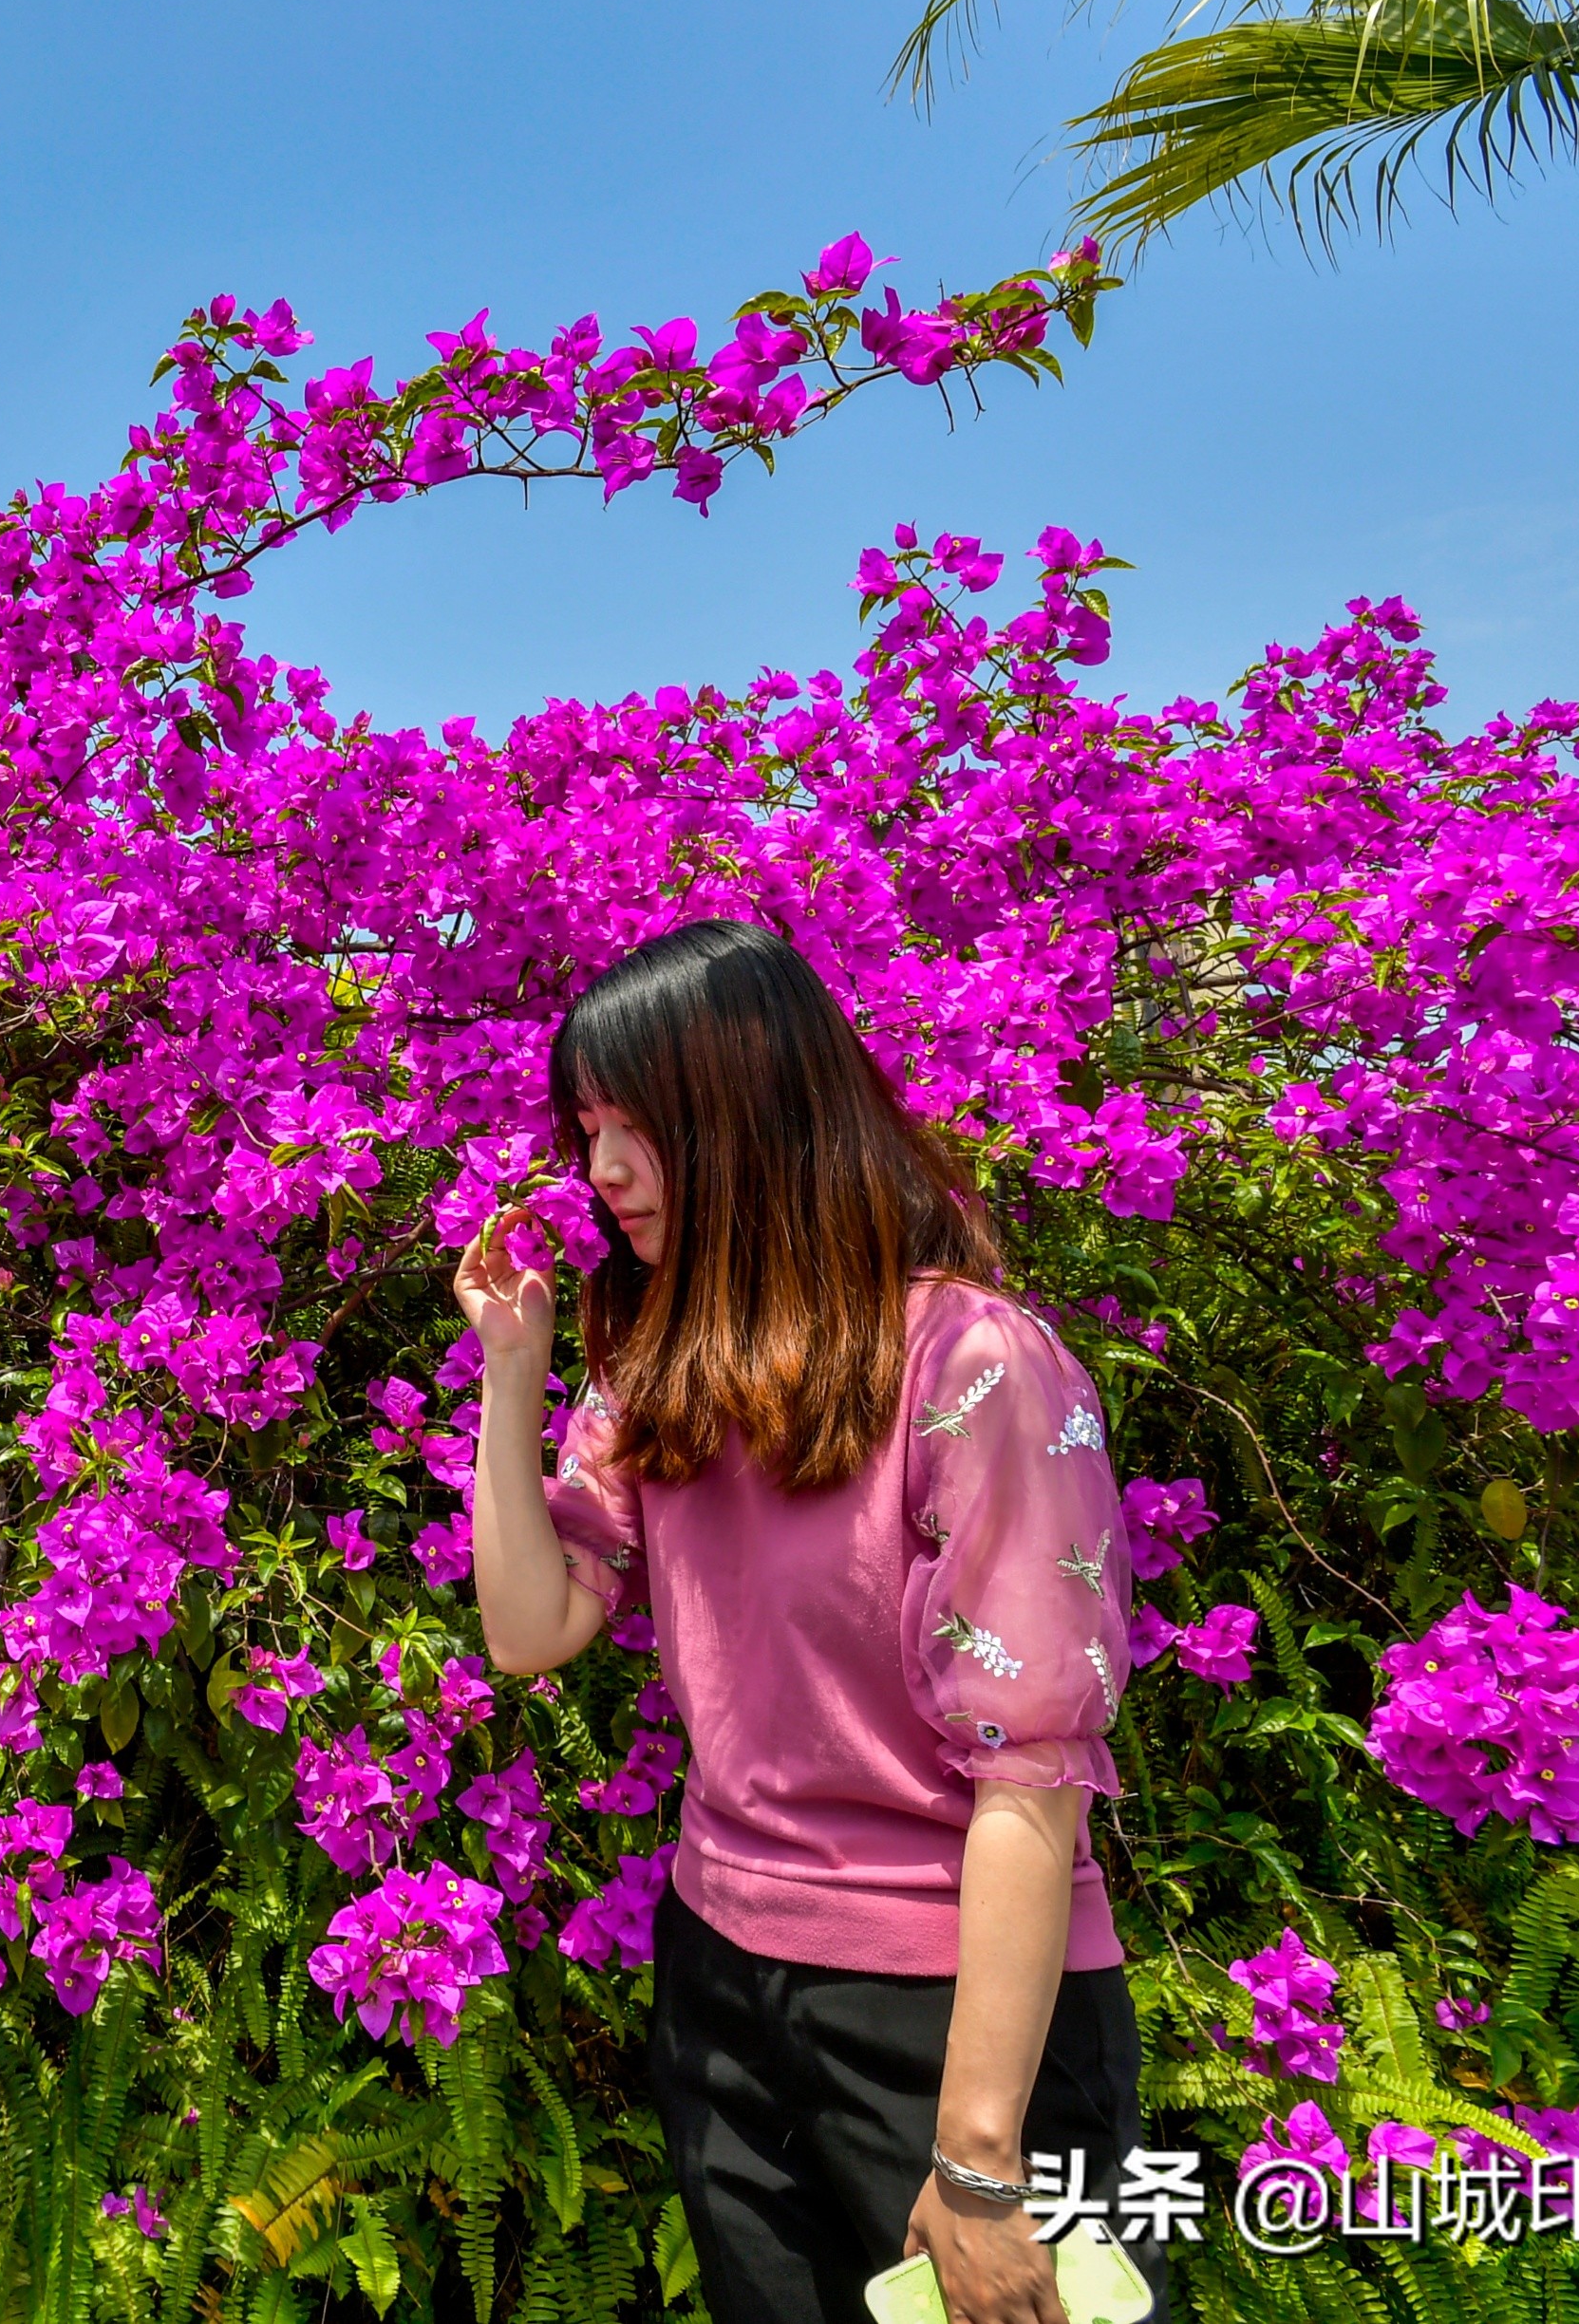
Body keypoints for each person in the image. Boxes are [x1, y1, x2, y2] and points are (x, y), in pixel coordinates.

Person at [453, 919, 1153, 2324]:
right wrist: (513, 1374)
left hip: (948, 2016)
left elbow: (1029, 1775)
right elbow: (532, 1630)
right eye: (586, 1126)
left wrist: (975, 2161)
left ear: (754, 1112)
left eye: (637, 1126)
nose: (599, 1172)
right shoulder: (664, 1365)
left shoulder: (974, 1363)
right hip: (722, 1973)